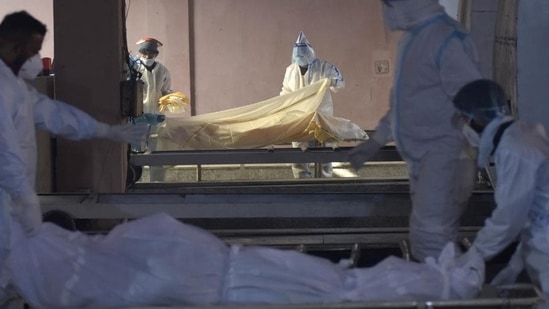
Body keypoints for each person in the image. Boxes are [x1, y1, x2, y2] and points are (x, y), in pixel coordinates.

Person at [0, 10, 147, 275]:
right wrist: (25, 197)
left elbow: (55, 115)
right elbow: (5, 152)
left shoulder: (16, 88)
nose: (36, 58)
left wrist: (105, 131)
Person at [347, 0, 482, 261]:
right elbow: (402, 102)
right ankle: (444, 291)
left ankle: (451, 294)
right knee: (429, 238)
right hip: (421, 157)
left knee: (432, 238)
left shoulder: (446, 38)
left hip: (444, 153)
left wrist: (468, 156)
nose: (386, 12)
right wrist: (375, 141)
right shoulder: (412, 40)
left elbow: (474, 101)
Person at [453, 79, 549, 306]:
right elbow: (533, 214)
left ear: (478, 117)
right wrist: (515, 265)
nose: (463, 128)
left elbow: (509, 218)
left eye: (464, 119)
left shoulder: (514, 149)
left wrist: (474, 256)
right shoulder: (521, 136)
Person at [280, 31, 345, 179]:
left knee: (325, 155)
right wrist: (280, 106)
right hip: (299, 118)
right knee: (299, 156)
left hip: (321, 117)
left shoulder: (324, 67)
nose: (301, 60)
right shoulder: (290, 70)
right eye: (298, 58)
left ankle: (325, 184)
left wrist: (332, 81)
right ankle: (303, 184)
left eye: (303, 57)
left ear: (310, 54)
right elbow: (286, 91)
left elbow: (340, 83)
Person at [132, 37, 173, 182]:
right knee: (136, 150)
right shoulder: (134, 68)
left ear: (156, 54)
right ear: (141, 53)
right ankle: (135, 181)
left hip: (156, 116)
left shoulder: (162, 70)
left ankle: (157, 182)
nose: (148, 56)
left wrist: (170, 98)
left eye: (151, 53)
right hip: (137, 117)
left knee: (156, 150)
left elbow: (166, 89)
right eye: (145, 53)